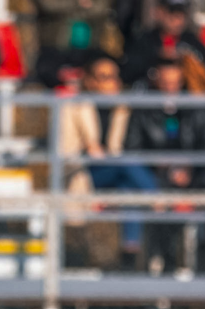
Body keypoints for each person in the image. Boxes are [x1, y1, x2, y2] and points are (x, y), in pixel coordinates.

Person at [60, 55, 154, 266]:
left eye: (115, 76)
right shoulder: (71, 106)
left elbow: (125, 146)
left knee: (128, 190)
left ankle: (130, 251)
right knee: (126, 162)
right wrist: (87, 149)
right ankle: (157, 197)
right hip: (83, 172)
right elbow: (64, 152)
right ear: (90, 81)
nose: (113, 82)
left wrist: (109, 155)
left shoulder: (123, 108)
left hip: (115, 171)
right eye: (105, 77)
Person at [124, 59, 205, 273]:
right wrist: (162, 164)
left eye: (175, 83)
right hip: (157, 179)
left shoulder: (197, 110)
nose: (170, 89)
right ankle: (162, 263)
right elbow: (133, 148)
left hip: (193, 179)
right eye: (165, 83)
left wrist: (190, 168)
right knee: (155, 197)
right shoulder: (143, 110)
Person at [121, 0, 205, 87]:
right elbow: (127, 73)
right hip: (151, 102)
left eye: (182, 13)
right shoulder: (145, 40)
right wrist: (157, 56)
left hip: (185, 104)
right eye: (172, 12)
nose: (178, 18)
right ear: (159, 12)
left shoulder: (190, 40)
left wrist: (187, 58)